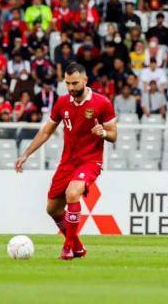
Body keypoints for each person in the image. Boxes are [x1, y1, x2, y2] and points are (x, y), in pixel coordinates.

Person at [15, 62, 117, 260]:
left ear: (85, 80)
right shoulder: (62, 102)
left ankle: (67, 247)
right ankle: (78, 247)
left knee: (72, 193)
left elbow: (114, 135)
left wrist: (103, 132)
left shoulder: (102, 103)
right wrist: (26, 153)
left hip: (90, 161)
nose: (71, 88)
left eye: (75, 83)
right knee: (52, 209)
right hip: (67, 162)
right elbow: (46, 131)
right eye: (68, 83)